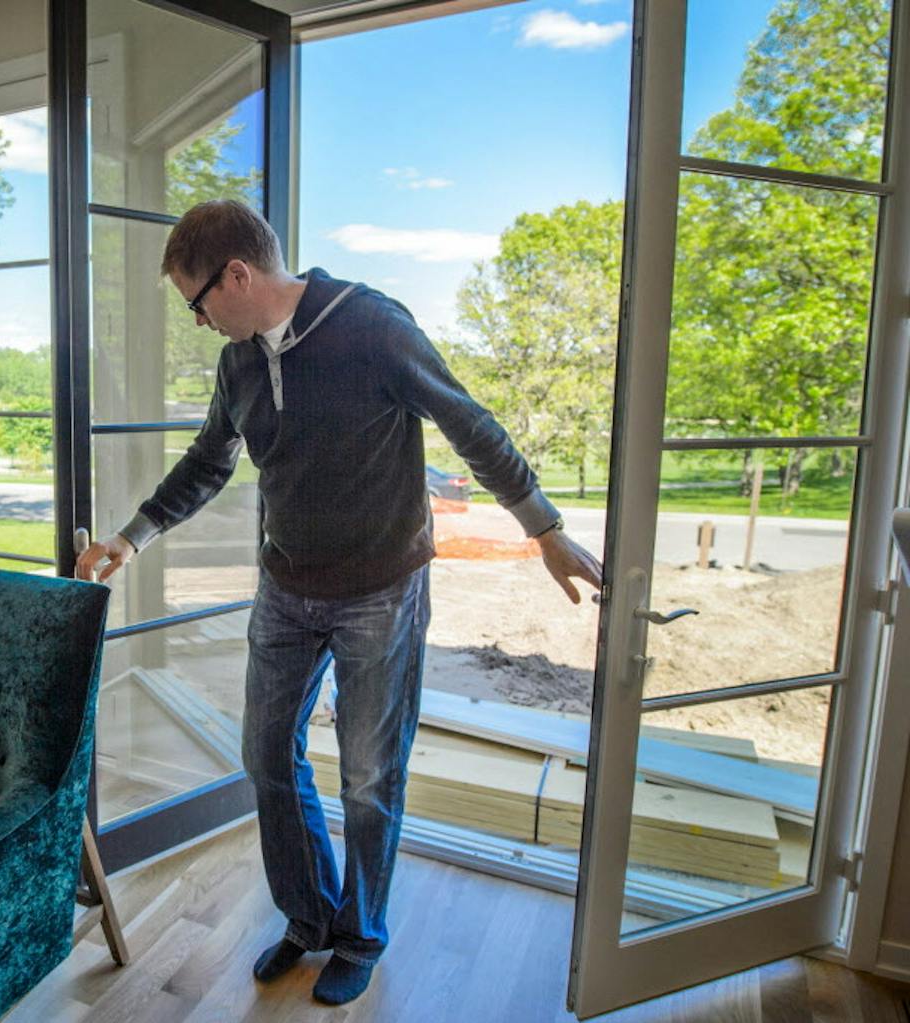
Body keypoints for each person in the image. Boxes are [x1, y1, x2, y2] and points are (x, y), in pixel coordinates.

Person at [77, 199, 603, 1005]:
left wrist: (546, 528)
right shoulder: (239, 363)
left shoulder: (372, 328)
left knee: (367, 777)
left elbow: (470, 424)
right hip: (286, 587)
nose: (198, 320)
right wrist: (133, 534)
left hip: (380, 591)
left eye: (197, 302)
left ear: (239, 276)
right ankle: (308, 919)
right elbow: (208, 462)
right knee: (267, 756)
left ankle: (361, 934)